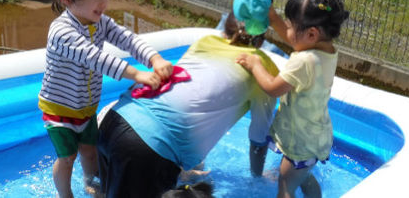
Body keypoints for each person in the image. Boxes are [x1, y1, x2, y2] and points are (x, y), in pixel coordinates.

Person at [97, 12, 279, 198]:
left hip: (111, 121)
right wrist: (258, 178)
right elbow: (259, 138)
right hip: (146, 148)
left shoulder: (207, 42)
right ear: (261, 39)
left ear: (226, 30)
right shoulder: (263, 70)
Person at [38, 0, 173, 198]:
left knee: (90, 151)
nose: (103, 2)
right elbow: (96, 58)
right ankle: (65, 194)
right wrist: (137, 74)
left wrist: (155, 59)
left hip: (86, 107)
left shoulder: (98, 21)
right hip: (59, 109)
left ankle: (93, 186)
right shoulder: (62, 31)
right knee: (67, 157)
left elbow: (126, 39)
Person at [236, 0, 349, 198]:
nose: (287, 29)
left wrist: (255, 65)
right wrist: (274, 18)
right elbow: (296, 40)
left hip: (300, 141)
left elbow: (272, 89)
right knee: (303, 176)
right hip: (316, 134)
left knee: (285, 185)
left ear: (311, 34)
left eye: (291, 25)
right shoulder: (326, 51)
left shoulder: (304, 61)